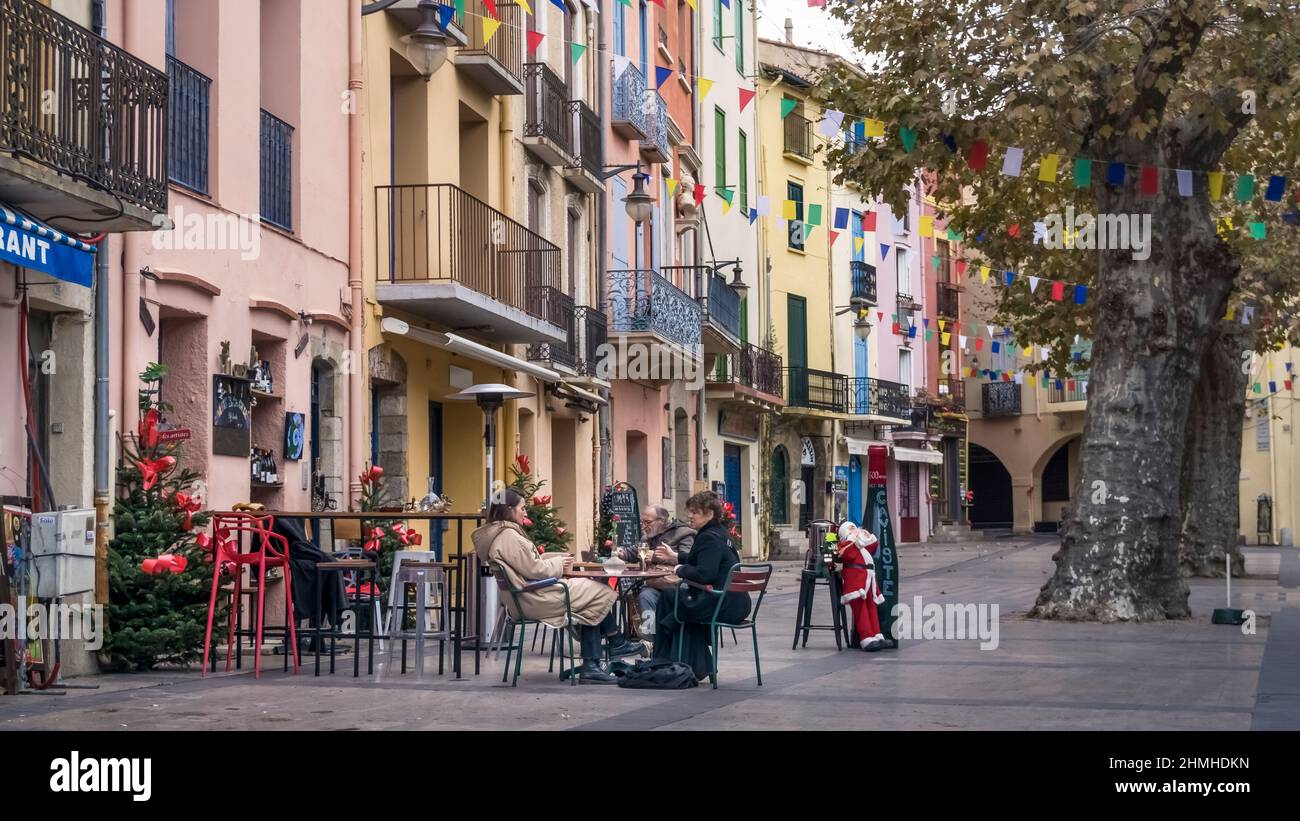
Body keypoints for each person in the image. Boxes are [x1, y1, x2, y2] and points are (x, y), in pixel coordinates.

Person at [472, 489, 642, 684]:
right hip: (533, 599)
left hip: (526, 597)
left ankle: (595, 662)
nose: (526, 513)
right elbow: (535, 570)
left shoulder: (501, 534)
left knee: (589, 597)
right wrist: (558, 565)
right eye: (523, 508)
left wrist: (554, 558)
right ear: (509, 509)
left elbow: (527, 564)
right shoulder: (508, 536)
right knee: (598, 592)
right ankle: (611, 646)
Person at [650, 491, 750, 681]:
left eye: (694, 512)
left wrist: (679, 569)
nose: (689, 516)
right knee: (677, 605)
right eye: (690, 511)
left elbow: (705, 574)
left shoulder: (707, 537)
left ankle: (663, 659)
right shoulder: (721, 533)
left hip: (720, 603)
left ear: (709, 514)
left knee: (669, 597)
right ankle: (691, 662)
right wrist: (676, 557)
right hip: (736, 603)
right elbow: (705, 560)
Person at [618, 505, 696, 637]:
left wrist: (658, 557)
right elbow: (633, 553)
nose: (644, 526)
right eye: (642, 522)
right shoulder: (647, 538)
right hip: (656, 583)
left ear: (662, 521)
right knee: (645, 596)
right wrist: (621, 553)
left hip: (676, 584)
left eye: (647, 522)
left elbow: (688, 559)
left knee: (666, 596)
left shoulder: (683, 534)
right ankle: (650, 640)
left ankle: (669, 637)